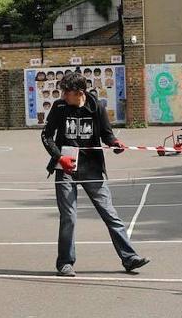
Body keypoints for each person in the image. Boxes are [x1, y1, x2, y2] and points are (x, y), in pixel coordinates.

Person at [41, 71, 149, 277]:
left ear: (79, 92)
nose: (63, 96)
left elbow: (107, 135)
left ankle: (130, 258)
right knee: (68, 217)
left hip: (92, 168)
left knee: (110, 213)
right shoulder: (59, 107)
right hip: (66, 168)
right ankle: (65, 263)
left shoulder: (96, 106)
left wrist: (115, 143)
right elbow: (46, 136)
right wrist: (59, 158)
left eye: (67, 92)